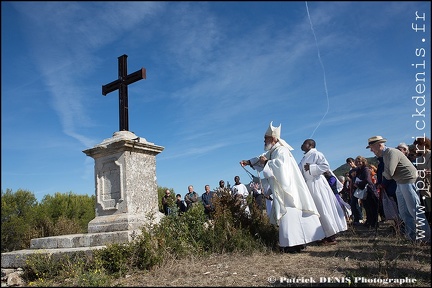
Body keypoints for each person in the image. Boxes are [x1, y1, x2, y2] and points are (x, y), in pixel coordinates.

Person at [240, 122, 325, 253]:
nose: (264, 141)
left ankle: (293, 244)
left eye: (266, 138)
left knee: (290, 214)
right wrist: (248, 162)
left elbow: (281, 166)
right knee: (292, 216)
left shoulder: (281, 150)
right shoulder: (274, 151)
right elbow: (261, 158)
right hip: (284, 187)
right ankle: (296, 243)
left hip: (288, 189)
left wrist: (266, 162)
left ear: (273, 139)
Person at [367, 135, 430, 243]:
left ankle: (427, 238)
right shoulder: (386, 155)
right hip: (400, 182)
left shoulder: (391, 153)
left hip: (408, 181)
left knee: (414, 210)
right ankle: (412, 237)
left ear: (379, 145)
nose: (371, 150)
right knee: (404, 212)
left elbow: (389, 172)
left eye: (372, 147)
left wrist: (382, 175)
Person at [299, 139, 347, 244]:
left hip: (317, 184)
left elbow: (325, 166)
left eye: (304, 143)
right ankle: (323, 234)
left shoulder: (317, 154)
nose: (302, 145)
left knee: (323, 208)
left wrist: (312, 167)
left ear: (310, 145)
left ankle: (331, 235)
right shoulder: (304, 158)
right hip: (309, 185)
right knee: (317, 210)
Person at [353, 156, 379, 229]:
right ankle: (369, 221)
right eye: (357, 162)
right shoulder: (359, 170)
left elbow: (367, 180)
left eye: (360, 161)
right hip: (364, 190)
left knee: (371, 207)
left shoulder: (365, 169)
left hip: (369, 190)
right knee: (367, 207)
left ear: (363, 162)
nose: (358, 163)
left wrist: (358, 184)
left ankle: (373, 223)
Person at [412, 136, 431, 227]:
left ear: (423, 144)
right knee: (427, 209)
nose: (415, 148)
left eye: (417, 146)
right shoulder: (418, 159)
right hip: (424, 187)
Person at [346, 157, 363, 225]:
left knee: (358, 203)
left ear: (353, 162)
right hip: (353, 188)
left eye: (351, 162)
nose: (350, 164)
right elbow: (351, 180)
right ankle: (356, 219)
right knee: (353, 204)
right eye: (348, 163)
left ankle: (360, 218)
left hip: (359, 187)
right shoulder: (350, 171)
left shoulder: (358, 169)